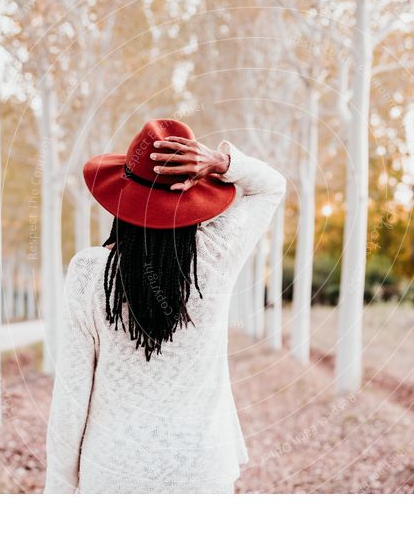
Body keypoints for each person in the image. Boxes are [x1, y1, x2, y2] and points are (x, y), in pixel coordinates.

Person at [43, 118, 286, 494]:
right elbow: (271, 187)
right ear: (191, 196)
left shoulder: (90, 273)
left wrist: (58, 492)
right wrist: (220, 162)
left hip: (113, 472)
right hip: (202, 471)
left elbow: (72, 396)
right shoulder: (216, 256)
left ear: (120, 197)